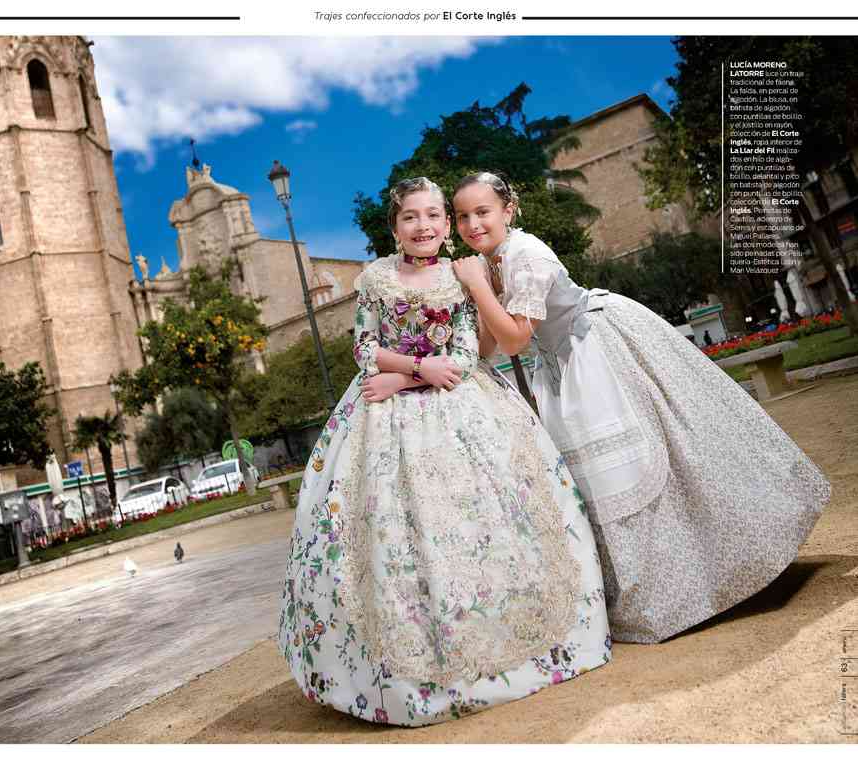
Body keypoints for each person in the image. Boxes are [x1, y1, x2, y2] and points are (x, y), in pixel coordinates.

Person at [278, 177, 610, 727]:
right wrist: (411, 367)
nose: (424, 226)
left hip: (459, 401)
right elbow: (363, 346)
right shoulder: (375, 279)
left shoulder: (461, 276)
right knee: (388, 528)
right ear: (395, 226)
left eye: (434, 215)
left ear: (446, 224)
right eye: (411, 216)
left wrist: (408, 378)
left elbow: (466, 352)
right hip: (380, 414)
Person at [451, 171, 830, 644]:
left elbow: (514, 340)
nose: (472, 224)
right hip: (562, 366)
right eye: (462, 216)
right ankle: (658, 594)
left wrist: (478, 287)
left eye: (482, 212)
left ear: (507, 210)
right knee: (597, 477)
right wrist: (471, 297)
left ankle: (697, 582)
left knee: (637, 461)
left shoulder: (527, 254)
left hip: (595, 349)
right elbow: (490, 347)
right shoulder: (490, 263)